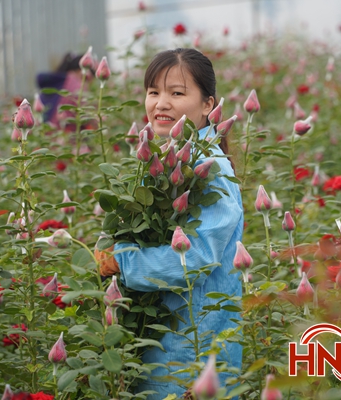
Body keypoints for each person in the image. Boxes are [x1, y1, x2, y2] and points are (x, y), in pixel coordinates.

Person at [98, 48, 243, 398]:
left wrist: (124, 261)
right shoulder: (166, 162)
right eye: (154, 92)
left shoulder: (213, 171)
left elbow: (195, 258)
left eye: (177, 93)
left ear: (208, 105)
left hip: (191, 351)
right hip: (160, 344)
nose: (161, 103)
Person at [36, 53, 94, 130]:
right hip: (66, 137)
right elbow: (87, 117)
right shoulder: (76, 85)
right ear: (80, 71)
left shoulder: (58, 83)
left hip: (47, 133)